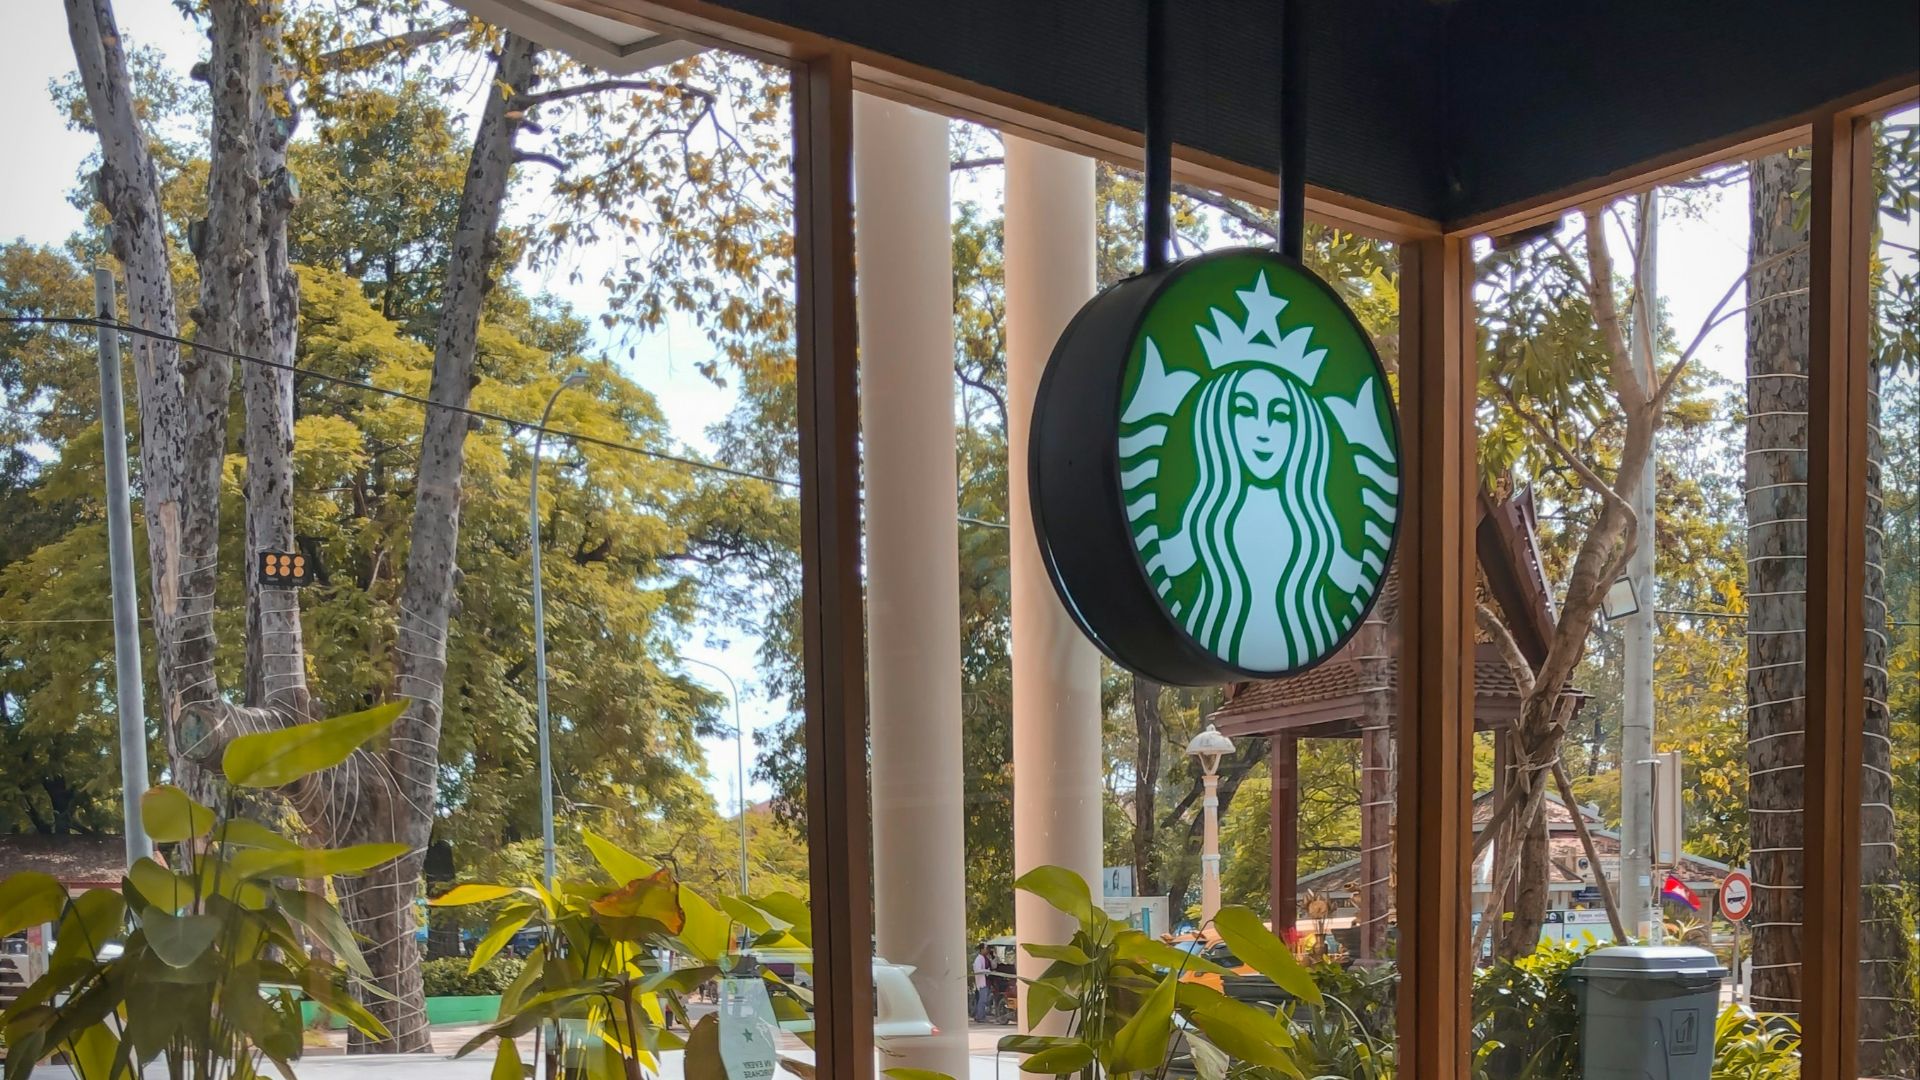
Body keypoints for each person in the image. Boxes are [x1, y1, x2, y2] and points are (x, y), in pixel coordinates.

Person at [972, 943, 993, 1023]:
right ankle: (980, 1016)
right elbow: (977, 970)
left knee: (984, 1000)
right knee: (982, 1000)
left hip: (987, 982)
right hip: (982, 982)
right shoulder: (978, 959)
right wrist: (986, 971)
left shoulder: (985, 958)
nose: (987, 950)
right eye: (985, 948)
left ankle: (981, 1015)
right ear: (981, 949)